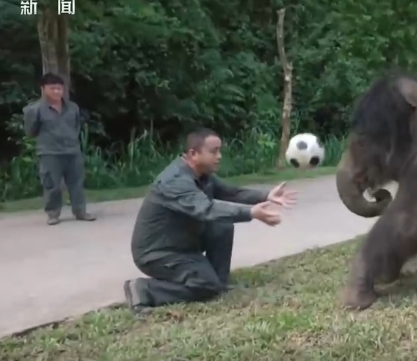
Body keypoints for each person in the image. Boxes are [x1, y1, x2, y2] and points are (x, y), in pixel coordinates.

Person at [123, 127, 298, 313]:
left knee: (222, 227)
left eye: (219, 150)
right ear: (193, 154)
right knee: (205, 285)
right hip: (157, 253)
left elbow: (230, 192)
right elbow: (206, 209)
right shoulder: (175, 182)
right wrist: (251, 213)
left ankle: (219, 283)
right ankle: (143, 289)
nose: (220, 156)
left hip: (180, 242)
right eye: (214, 151)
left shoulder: (202, 176)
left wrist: (267, 195)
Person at [22, 73, 94, 225]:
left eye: (59, 88)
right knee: (51, 184)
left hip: (72, 151)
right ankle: (53, 213)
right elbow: (30, 131)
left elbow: (76, 126)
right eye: (52, 88)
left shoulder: (72, 107)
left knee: (77, 183)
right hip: (50, 152)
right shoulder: (34, 109)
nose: (57, 92)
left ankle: (80, 211)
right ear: (43, 89)